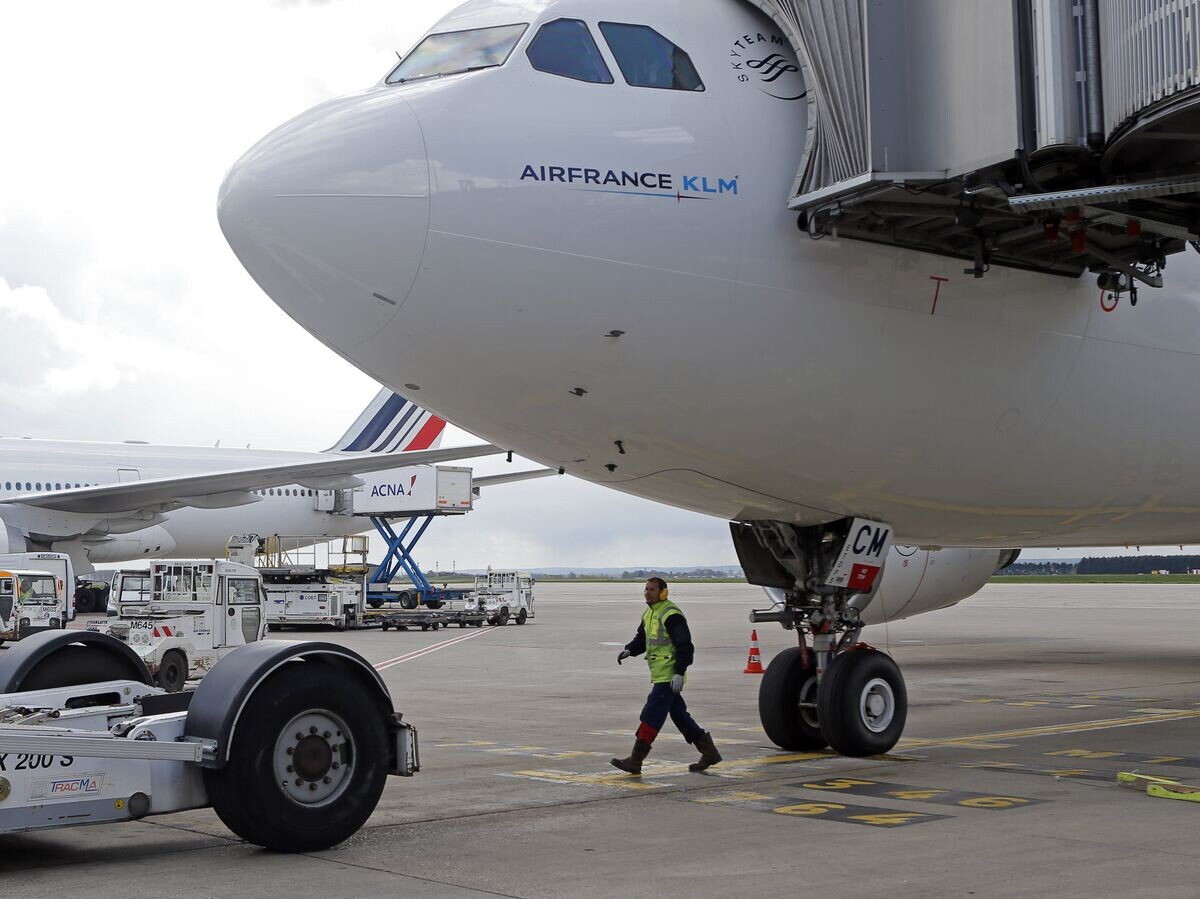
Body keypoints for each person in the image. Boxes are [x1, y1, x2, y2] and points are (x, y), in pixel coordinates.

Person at [611, 577, 722, 774]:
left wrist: (680, 672)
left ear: (663, 592)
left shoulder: (671, 614)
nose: (648, 593)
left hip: (669, 675)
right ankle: (709, 752)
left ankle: (636, 760)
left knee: (651, 715)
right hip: (660, 673)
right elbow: (642, 638)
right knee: (680, 716)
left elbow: (685, 645)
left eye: (653, 589)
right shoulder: (650, 613)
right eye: (646, 589)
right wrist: (629, 650)